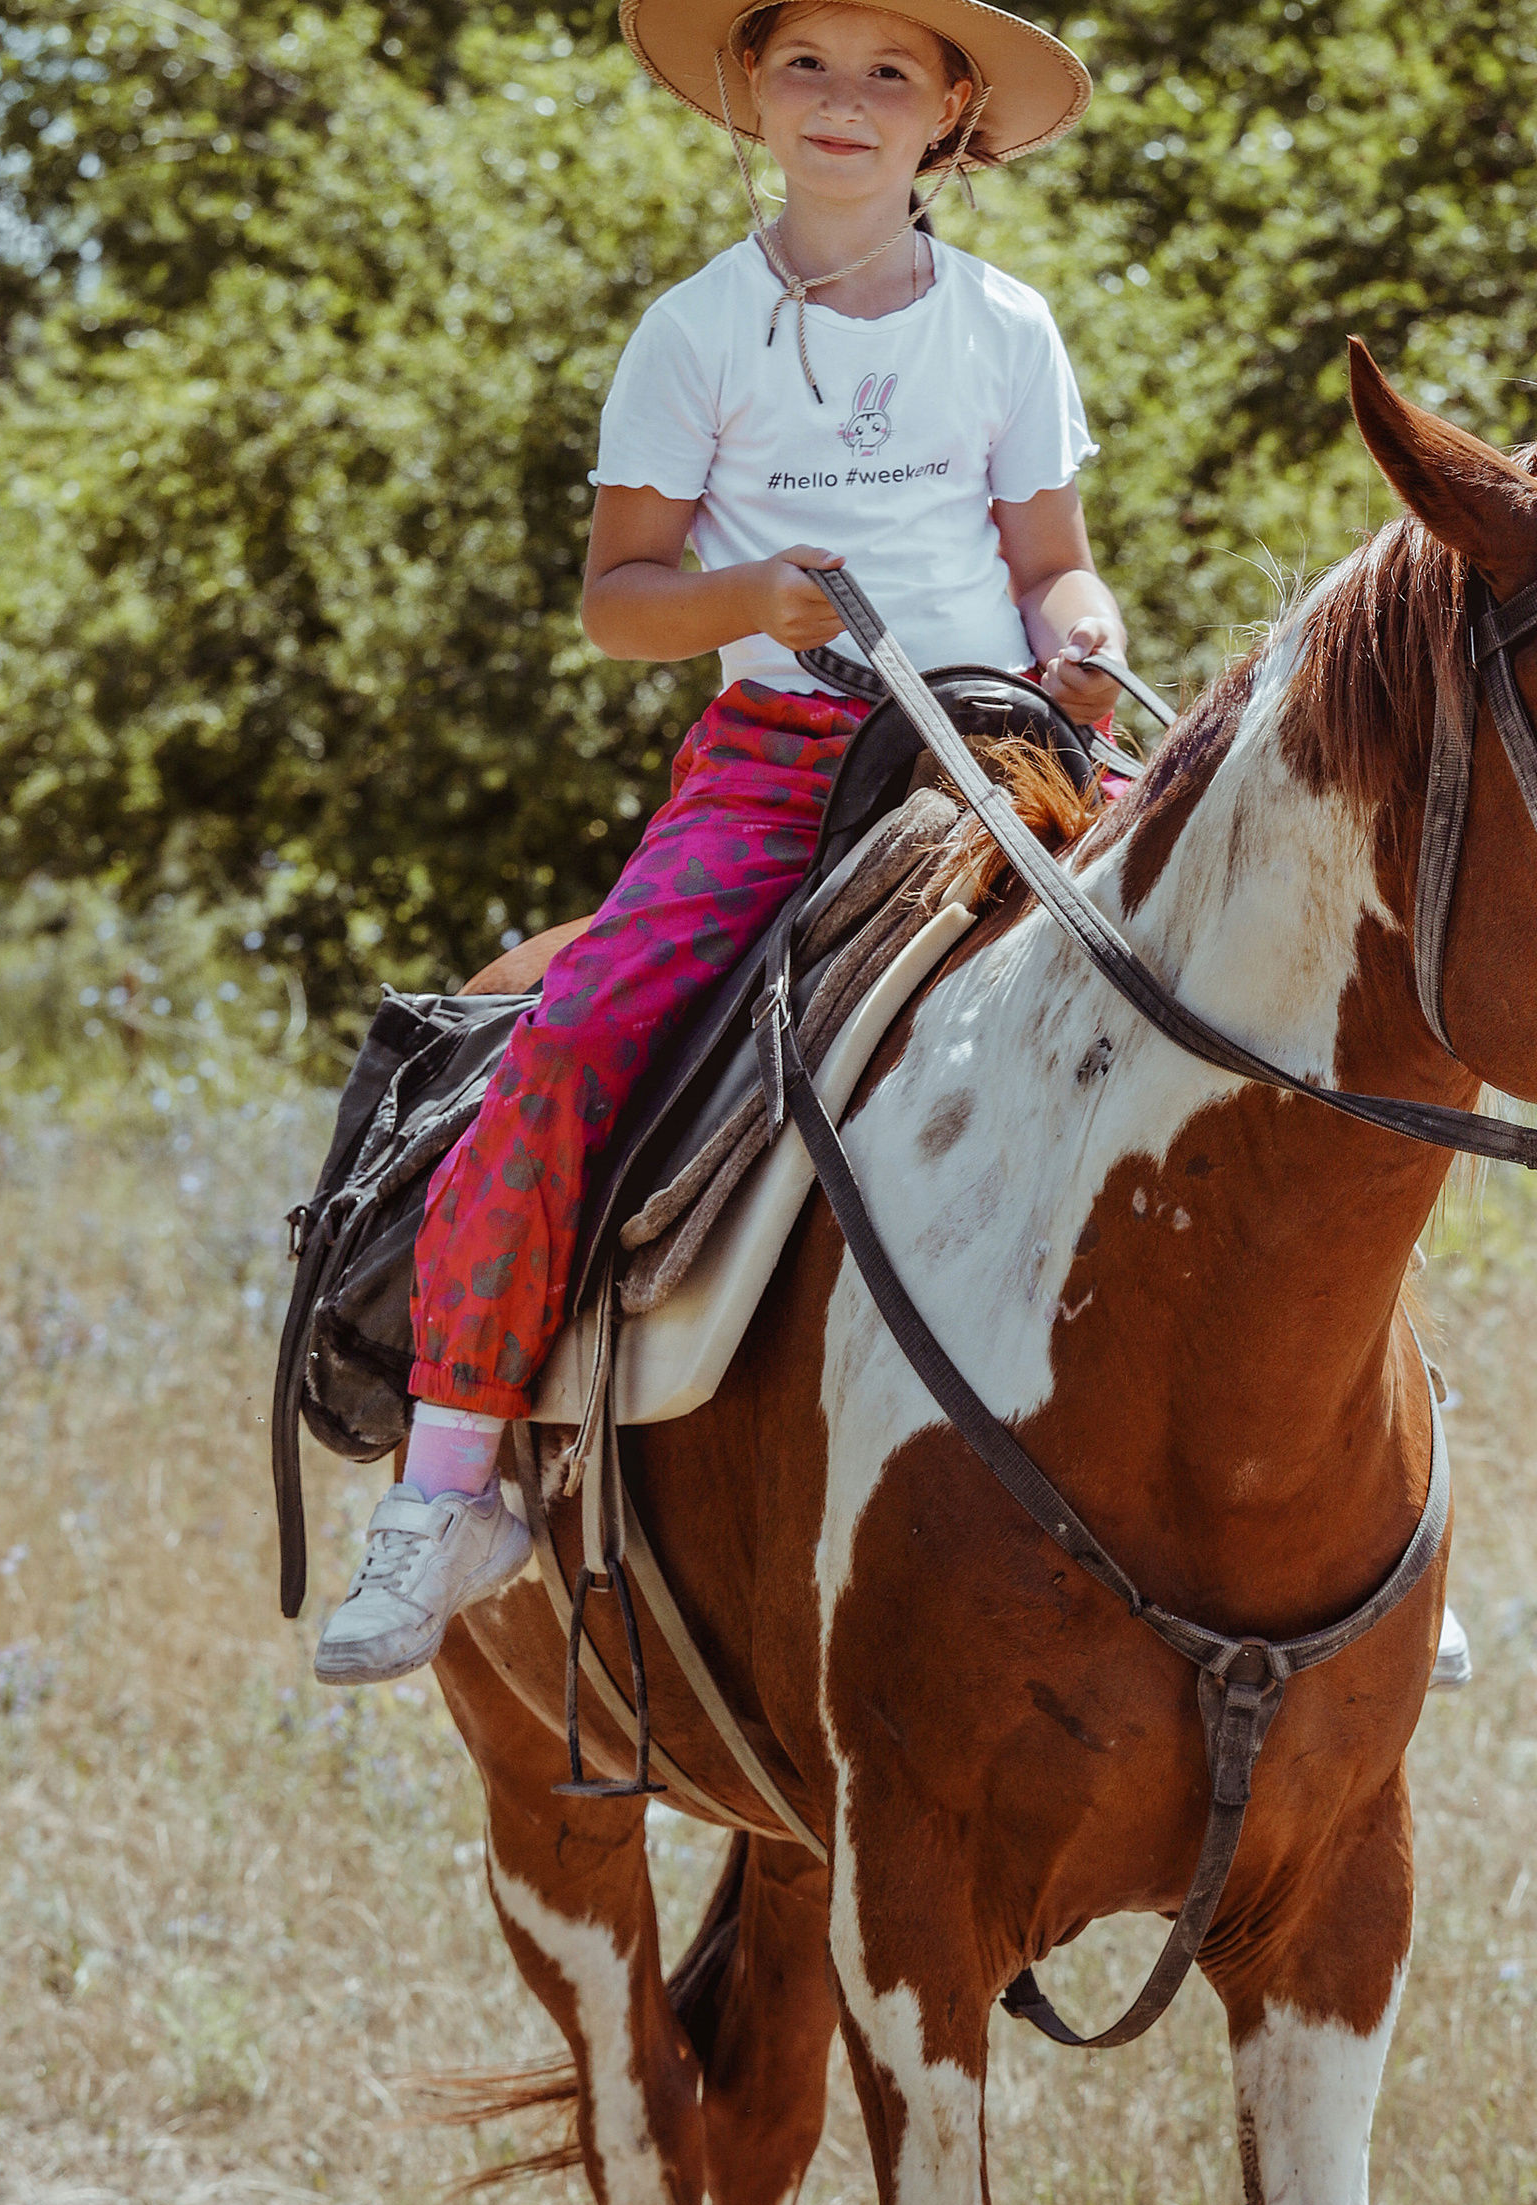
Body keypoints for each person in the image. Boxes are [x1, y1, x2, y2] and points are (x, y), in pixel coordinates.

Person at [315, 0, 1121, 1683]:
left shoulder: (1008, 325)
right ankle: (452, 1477)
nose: (846, 99)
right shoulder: (696, 334)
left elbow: (1050, 557)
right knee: (576, 1038)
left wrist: (1087, 628)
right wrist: (757, 595)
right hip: (782, 758)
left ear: (950, 110)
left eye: (891, 70)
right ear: (752, 90)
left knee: (1253, 960)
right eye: (809, 64)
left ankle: (1335, 1483)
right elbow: (619, 602)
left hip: (995, 740)